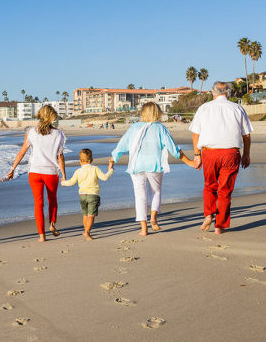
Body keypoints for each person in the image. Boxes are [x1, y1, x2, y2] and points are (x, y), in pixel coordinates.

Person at [111, 102, 197, 236]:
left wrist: (113, 159)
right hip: (154, 165)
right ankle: (153, 219)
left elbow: (121, 146)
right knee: (155, 192)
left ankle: (143, 228)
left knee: (140, 196)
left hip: (136, 166)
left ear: (143, 113)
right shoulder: (160, 128)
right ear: (157, 112)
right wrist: (189, 162)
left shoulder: (134, 127)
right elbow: (174, 149)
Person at [189, 82, 253, 235]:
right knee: (225, 190)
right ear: (229, 93)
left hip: (210, 152)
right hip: (230, 153)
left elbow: (195, 134)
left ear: (213, 92)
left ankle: (209, 214)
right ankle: (220, 226)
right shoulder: (237, 108)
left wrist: (197, 155)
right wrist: (246, 154)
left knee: (210, 185)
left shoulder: (204, 108)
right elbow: (247, 135)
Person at [9, 105, 67, 242]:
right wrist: (64, 175)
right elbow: (60, 157)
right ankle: (52, 224)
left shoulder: (31, 132)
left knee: (38, 203)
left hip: (34, 172)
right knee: (52, 200)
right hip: (51, 173)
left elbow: (22, 151)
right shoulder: (58, 134)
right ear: (52, 116)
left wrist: (12, 169)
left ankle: (42, 236)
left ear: (39, 116)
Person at [61, 148, 114, 241]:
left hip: (82, 195)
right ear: (92, 160)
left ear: (80, 161)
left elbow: (71, 182)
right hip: (93, 195)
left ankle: (86, 230)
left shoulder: (78, 171)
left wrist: (63, 183)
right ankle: (87, 232)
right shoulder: (95, 168)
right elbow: (105, 178)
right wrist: (111, 170)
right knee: (91, 216)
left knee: (85, 215)